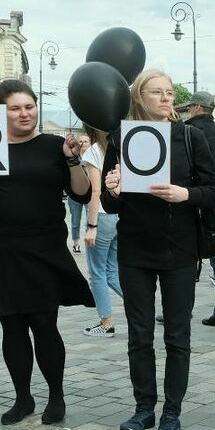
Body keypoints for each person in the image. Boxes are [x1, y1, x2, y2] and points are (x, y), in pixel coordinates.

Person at [0, 79, 94, 426]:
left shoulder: (54, 146)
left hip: (44, 247)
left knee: (44, 324)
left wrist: (73, 161)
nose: (24, 113)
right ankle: (22, 398)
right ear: (1, 112)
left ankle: (56, 396)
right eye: (15, 108)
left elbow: (82, 195)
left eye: (29, 106)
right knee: (11, 326)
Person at [101, 69, 215, 430]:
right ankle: (144, 409)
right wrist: (111, 188)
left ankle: (172, 413)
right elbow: (108, 203)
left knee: (177, 334)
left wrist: (185, 195)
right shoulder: (122, 137)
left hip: (180, 249)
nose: (166, 99)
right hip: (135, 248)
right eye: (157, 93)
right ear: (140, 98)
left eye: (170, 93)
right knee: (139, 335)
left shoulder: (190, 137)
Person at [182, 91, 215, 328]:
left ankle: (181, 309)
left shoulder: (192, 133)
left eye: (190, 107)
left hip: (195, 204)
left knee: (187, 260)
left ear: (196, 107)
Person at [81, 124, 122, 338]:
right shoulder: (119, 147)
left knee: (97, 272)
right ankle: (143, 305)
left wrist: (91, 226)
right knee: (112, 270)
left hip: (103, 216)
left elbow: (95, 191)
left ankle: (106, 323)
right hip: (118, 215)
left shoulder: (93, 151)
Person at [67, 134, 91, 254]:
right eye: (80, 141)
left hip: (91, 193)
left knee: (90, 219)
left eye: (85, 141)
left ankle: (89, 242)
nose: (82, 143)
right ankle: (76, 243)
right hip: (75, 195)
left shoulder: (93, 157)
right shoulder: (73, 156)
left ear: (90, 143)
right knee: (75, 220)